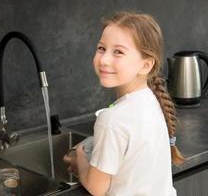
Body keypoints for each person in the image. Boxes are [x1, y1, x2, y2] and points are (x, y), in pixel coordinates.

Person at [63, 11, 185, 196]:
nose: (104, 60)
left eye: (118, 52)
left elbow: (97, 188)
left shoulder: (111, 119)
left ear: (146, 65)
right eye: (101, 48)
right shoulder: (152, 100)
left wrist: (80, 159)